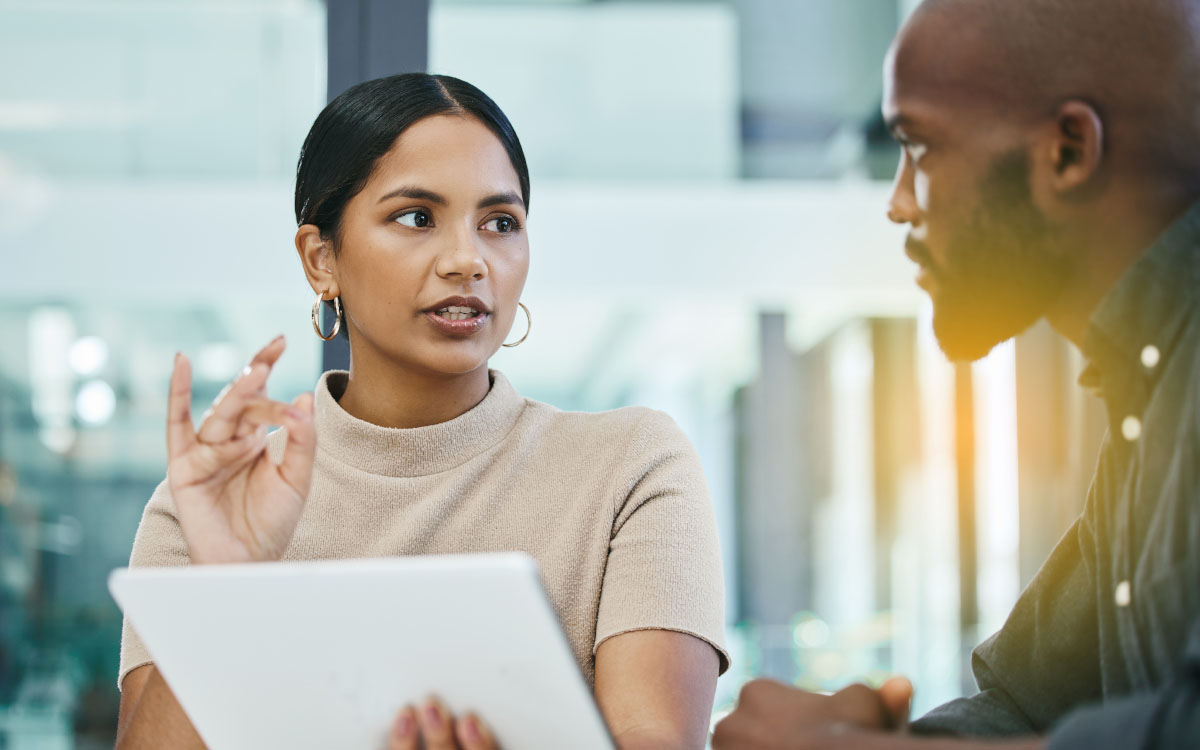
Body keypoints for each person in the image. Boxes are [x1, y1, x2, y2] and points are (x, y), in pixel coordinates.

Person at [113, 73, 728, 750]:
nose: (468, 260)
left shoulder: (631, 466)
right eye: (416, 217)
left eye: (500, 223)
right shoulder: (207, 508)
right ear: (322, 259)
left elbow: (655, 738)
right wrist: (223, 587)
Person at [713, 0, 1200, 748]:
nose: (899, 202)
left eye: (922, 148)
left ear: (1068, 151)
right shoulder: (1146, 392)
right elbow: (1026, 702)